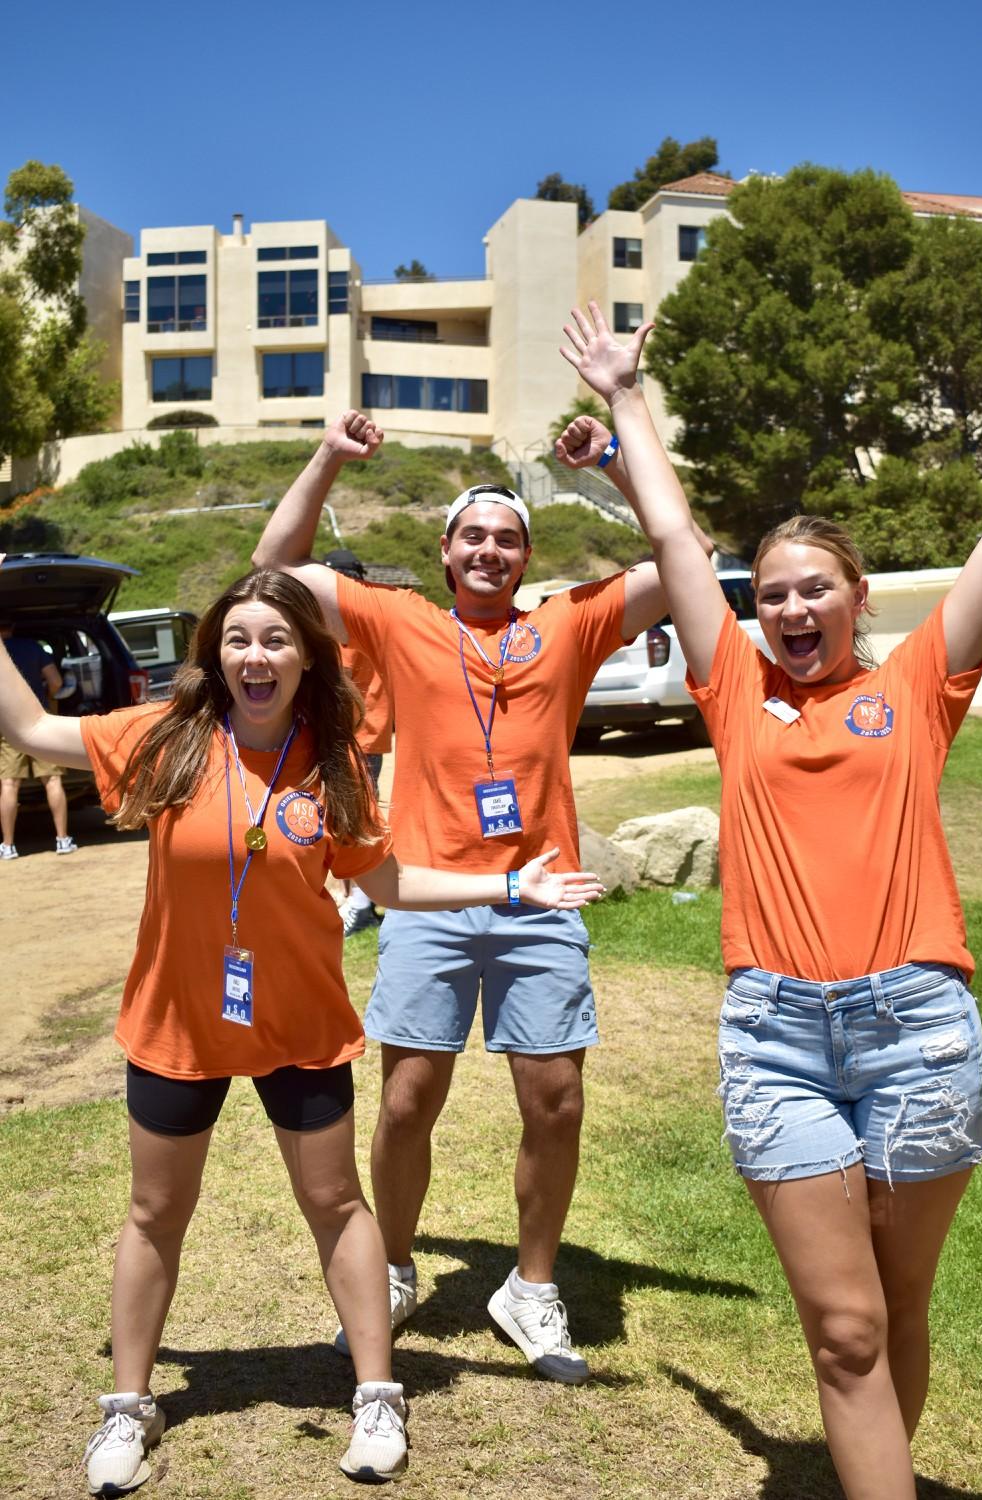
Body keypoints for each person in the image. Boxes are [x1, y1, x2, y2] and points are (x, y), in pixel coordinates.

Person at [0, 561, 601, 1493]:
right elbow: (32, 727)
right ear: (215, 655)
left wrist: (515, 884)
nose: (255, 655)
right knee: (156, 1213)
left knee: (335, 1205)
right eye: (237, 638)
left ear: (306, 657)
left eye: (276, 639)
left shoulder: (333, 760)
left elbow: (389, 883)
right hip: (180, 1025)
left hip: (299, 1024)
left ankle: (376, 1395)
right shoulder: (168, 739)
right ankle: (128, 1408)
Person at [560, 302, 982, 1500]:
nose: (792, 610)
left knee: (899, 1308)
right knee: (845, 1327)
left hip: (917, 1030)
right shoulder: (731, 689)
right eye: (775, 595)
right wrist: (624, 397)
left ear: (858, 597)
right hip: (777, 1039)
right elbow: (675, 535)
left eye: (816, 591)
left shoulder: (917, 685)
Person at [253, 411, 711, 1385]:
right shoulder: (400, 617)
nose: (490, 549)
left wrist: (616, 463)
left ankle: (530, 1287)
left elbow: (687, 559)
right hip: (427, 897)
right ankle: (394, 1266)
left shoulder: (568, 623)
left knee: (555, 1101)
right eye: (474, 535)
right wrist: (331, 457)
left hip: (542, 898)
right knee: (408, 1099)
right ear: (446, 550)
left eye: (507, 536)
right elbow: (272, 570)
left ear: (525, 554)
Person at [323, 549, 393, 938]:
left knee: (352, 819)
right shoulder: (374, 614)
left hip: (351, 737)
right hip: (370, 735)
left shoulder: (343, 624)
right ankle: (350, 895)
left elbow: (339, 681)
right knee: (350, 816)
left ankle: (360, 902)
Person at [0, 620, 77, 858]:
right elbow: (55, 682)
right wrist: (47, 697)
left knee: (9, 784)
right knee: (52, 780)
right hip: (41, 722)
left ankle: (8, 846)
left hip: (9, 726)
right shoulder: (34, 648)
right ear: (13, 626)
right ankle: (63, 840)